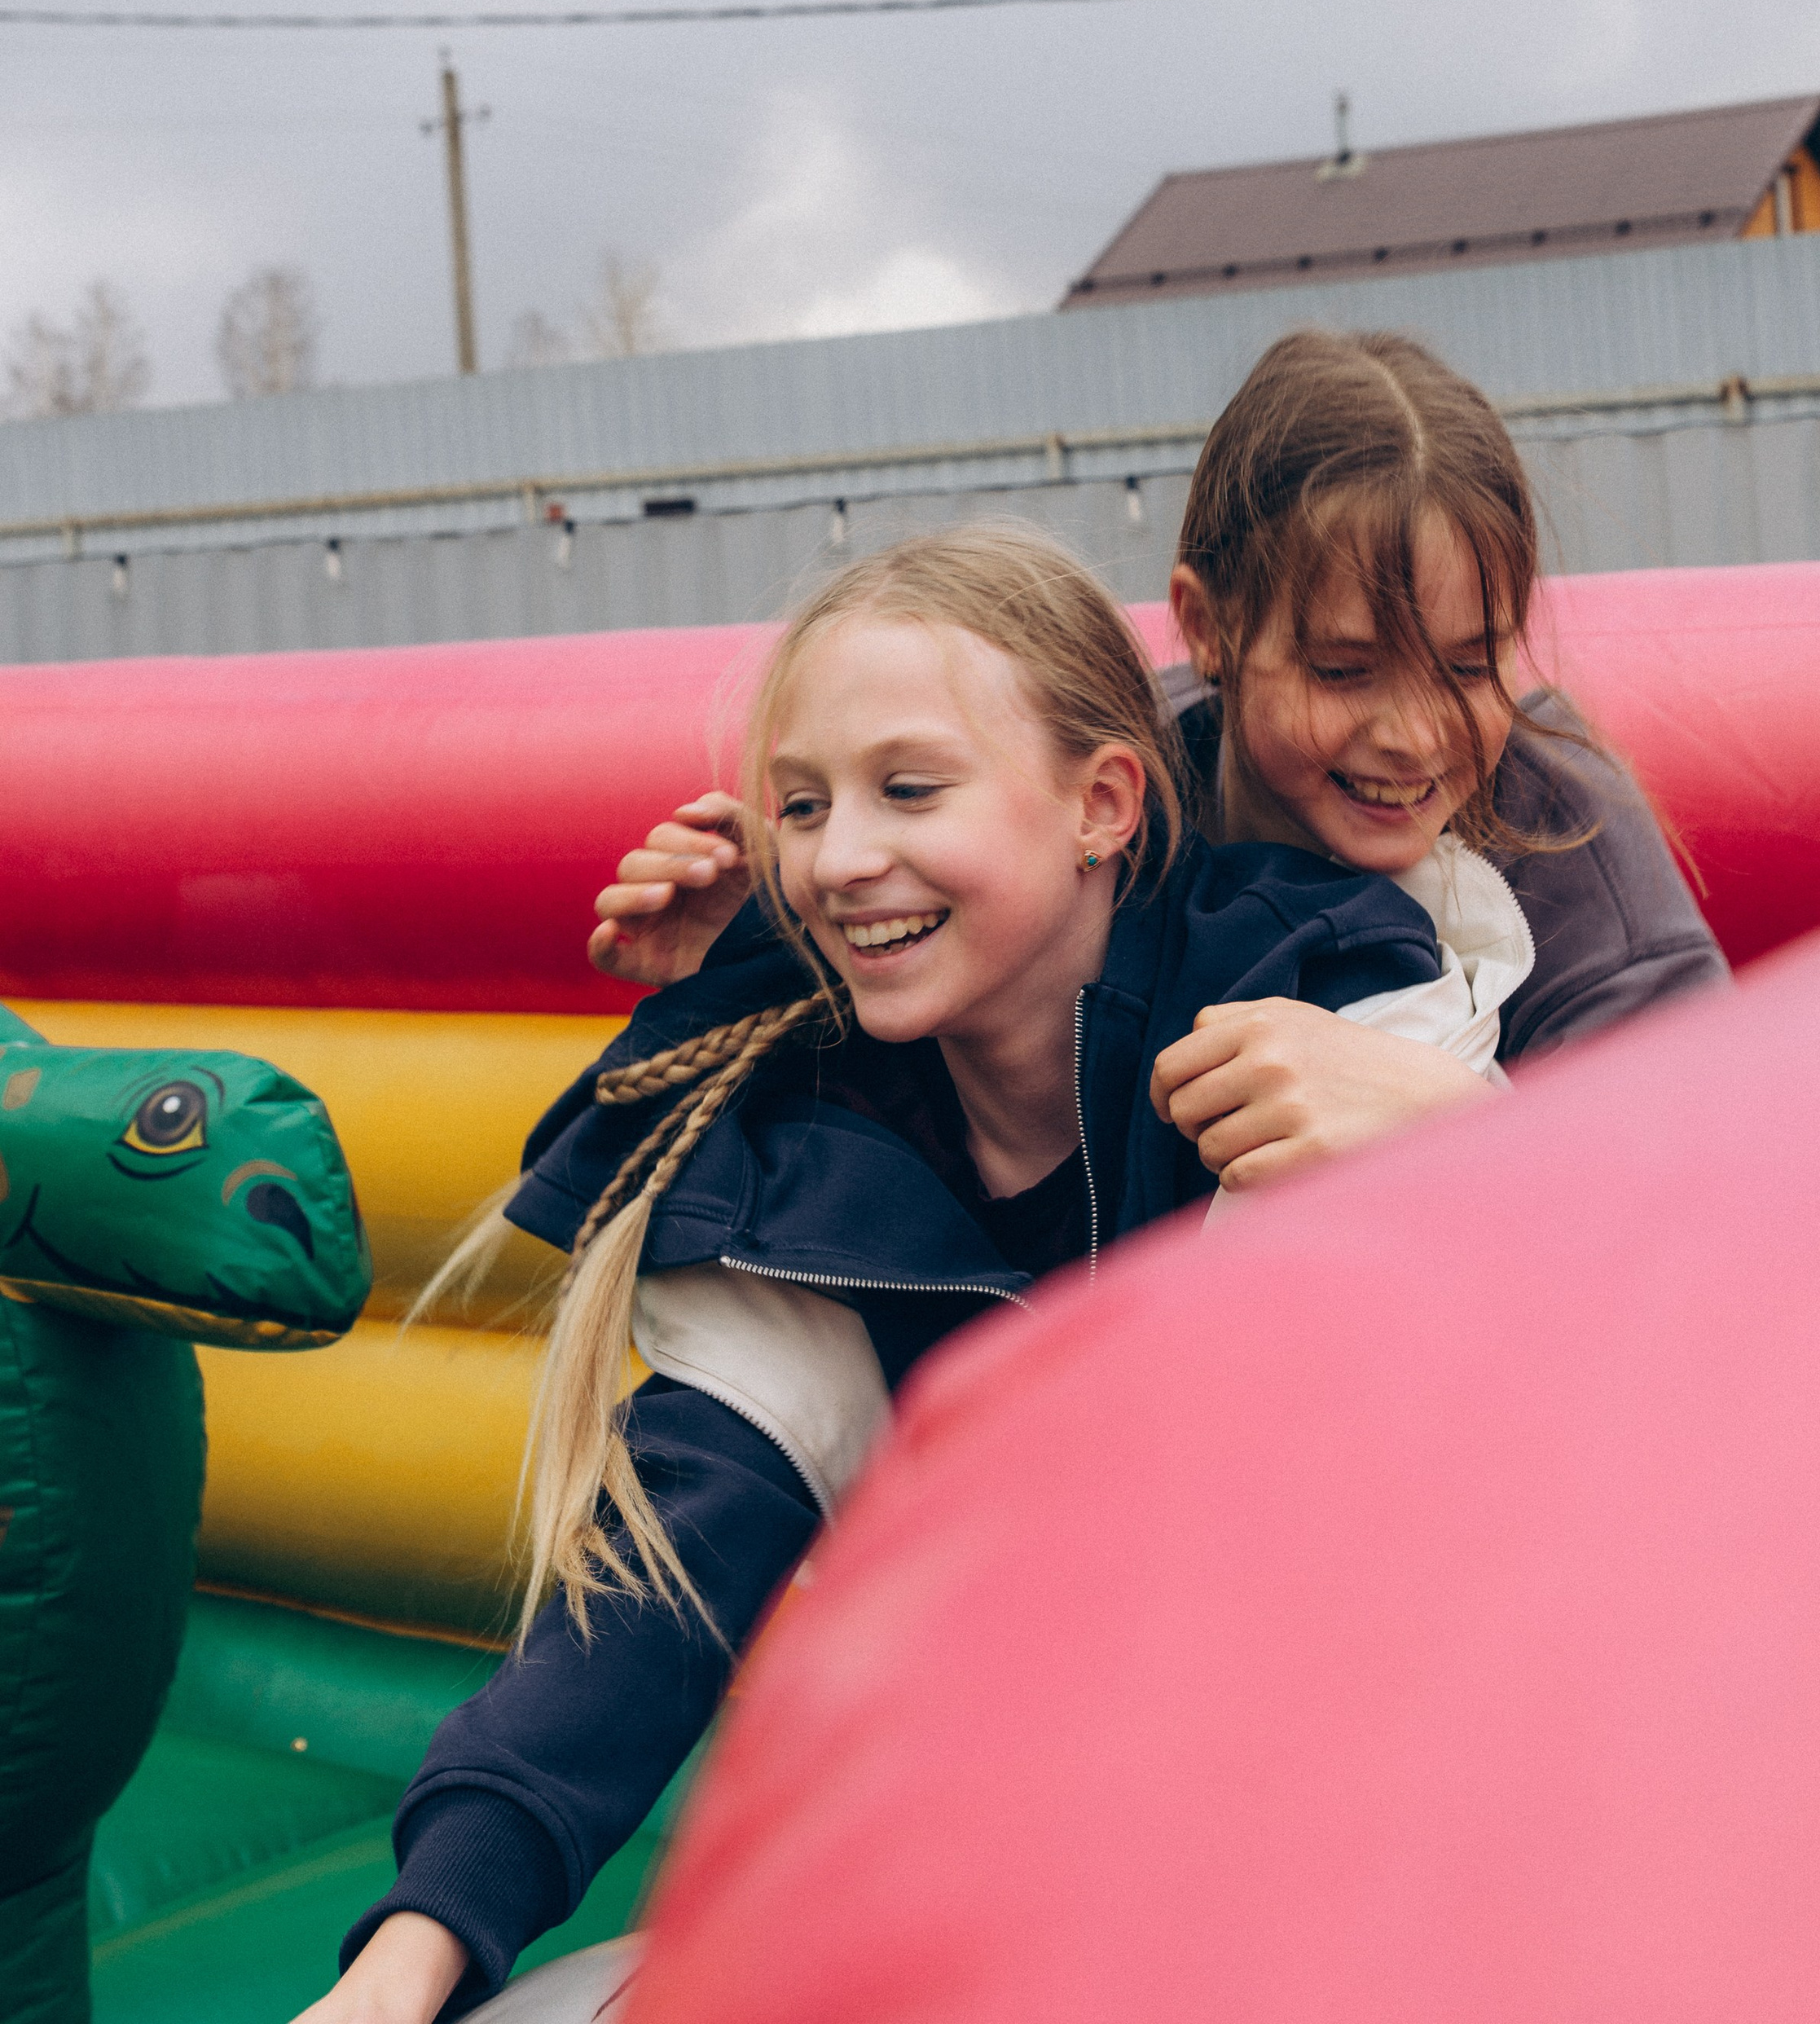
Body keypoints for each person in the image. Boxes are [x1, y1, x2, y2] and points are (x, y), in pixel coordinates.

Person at [305, 526, 1468, 2024]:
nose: (840, 859)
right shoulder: (813, 1159)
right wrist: (412, 1956)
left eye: (909, 789)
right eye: (802, 804)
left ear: (1103, 803)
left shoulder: (1320, 1015)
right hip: (1036, 1860)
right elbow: (647, 1605)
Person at [1145, 325, 1730, 1194]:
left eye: (1468, 666)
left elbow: (1713, 1198)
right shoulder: (1119, 812)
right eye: (1342, 670)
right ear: (1205, 629)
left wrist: (1450, 1119)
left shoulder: (1566, 851)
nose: (1416, 738)